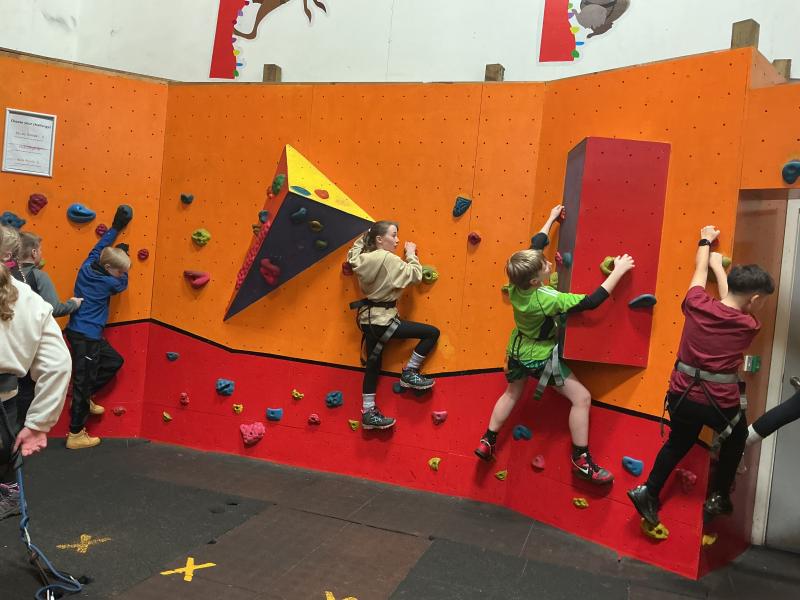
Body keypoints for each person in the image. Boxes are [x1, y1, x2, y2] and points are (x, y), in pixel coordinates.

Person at [474, 205, 634, 484]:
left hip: (517, 350)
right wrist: (618, 271)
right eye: (545, 266)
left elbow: (536, 244)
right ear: (535, 280)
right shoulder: (547, 299)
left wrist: (550, 219)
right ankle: (581, 460)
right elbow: (591, 302)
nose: (549, 263)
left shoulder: (516, 284)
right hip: (539, 357)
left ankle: (488, 439)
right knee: (581, 398)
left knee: (512, 393)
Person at [628, 226, 775, 526]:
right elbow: (731, 301)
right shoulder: (749, 325)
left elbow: (700, 273)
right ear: (756, 298)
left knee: (678, 443)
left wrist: (706, 242)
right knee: (736, 439)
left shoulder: (695, 304)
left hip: (681, 396)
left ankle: (648, 491)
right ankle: (719, 495)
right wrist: (720, 271)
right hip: (718, 404)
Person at [0, 225, 72, 520]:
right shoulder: (30, 300)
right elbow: (58, 364)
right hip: (5, 401)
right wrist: (39, 423)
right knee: (4, 454)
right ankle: (10, 495)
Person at [347, 221, 440, 430]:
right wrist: (411, 254)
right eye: (394, 235)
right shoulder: (389, 259)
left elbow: (352, 255)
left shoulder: (362, 258)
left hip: (367, 321)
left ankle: (368, 412)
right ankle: (410, 372)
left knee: (373, 364)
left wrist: (366, 235)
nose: (397, 240)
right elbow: (415, 275)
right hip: (384, 320)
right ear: (380, 239)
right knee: (432, 333)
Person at [64, 205, 133, 449]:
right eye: (119, 271)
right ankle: (75, 434)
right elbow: (122, 285)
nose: (121, 274)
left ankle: (84, 396)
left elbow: (100, 246)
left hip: (84, 333)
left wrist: (116, 228)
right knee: (83, 382)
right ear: (109, 269)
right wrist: (124, 264)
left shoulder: (89, 264)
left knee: (114, 361)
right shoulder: (109, 283)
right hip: (86, 337)